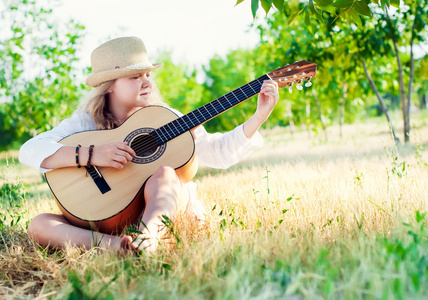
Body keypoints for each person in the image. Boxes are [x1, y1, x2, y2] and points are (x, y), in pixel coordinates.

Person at [19, 36, 279, 253]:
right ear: (109, 86)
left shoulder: (166, 117)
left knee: (166, 174)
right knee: (39, 224)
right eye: (134, 77)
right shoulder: (85, 123)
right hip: (102, 216)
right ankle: (114, 246)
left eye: (147, 74)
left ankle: (147, 238)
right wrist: (92, 154)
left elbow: (218, 153)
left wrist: (259, 117)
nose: (146, 81)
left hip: (154, 210)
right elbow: (29, 151)